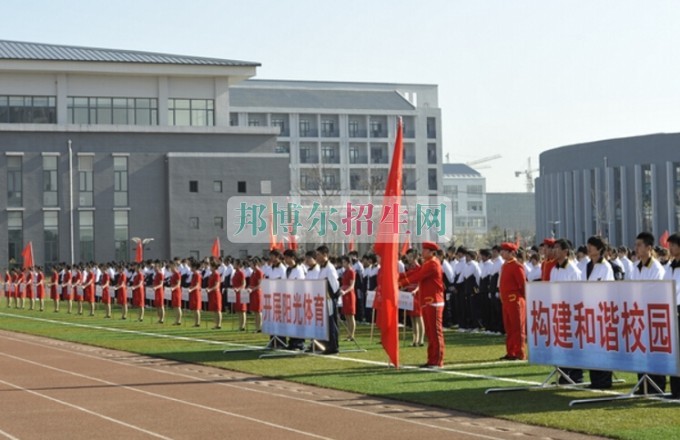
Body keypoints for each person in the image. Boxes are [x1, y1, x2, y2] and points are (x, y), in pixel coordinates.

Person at [630, 231, 666, 394]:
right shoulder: (635, 268)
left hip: (652, 316)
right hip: (637, 315)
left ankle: (656, 385)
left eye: (639, 245)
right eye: (636, 245)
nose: (636, 248)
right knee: (640, 348)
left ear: (649, 247)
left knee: (654, 351)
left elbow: (655, 291)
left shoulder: (656, 268)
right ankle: (642, 383)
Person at [398, 241, 445, 368]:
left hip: (434, 302)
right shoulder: (427, 263)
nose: (422, 252)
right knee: (430, 333)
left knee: (435, 332)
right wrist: (398, 276)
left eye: (425, 250)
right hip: (427, 301)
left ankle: (438, 360)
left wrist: (400, 283)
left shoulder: (433, 264)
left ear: (431, 252)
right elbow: (414, 273)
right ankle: (431, 359)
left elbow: (417, 276)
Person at [581, 236, 615, 389]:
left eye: (592, 246)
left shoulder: (605, 267)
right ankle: (595, 379)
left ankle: (604, 380)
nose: (589, 248)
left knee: (603, 346)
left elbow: (606, 289)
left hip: (602, 312)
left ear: (599, 249)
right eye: (588, 245)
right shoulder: (587, 266)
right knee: (592, 346)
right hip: (588, 311)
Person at [498, 242, 527, 361]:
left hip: (515, 300)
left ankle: (519, 353)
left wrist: (525, 298)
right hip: (506, 301)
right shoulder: (505, 265)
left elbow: (523, 285)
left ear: (512, 253)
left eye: (505, 251)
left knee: (518, 328)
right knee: (509, 327)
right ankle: (511, 351)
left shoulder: (517, 266)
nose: (502, 253)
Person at [316, 245, 341, 355]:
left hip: (329, 299)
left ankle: (333, 346)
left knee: (331, 323)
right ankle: (327, 345)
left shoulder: (330, 268)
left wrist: (332, 298)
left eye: (318, 255)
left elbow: (335, 286)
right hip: (323, 299)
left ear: (325, 255)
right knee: (326, 324)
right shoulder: (322, 268)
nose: (316, 257)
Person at [665, 232, 680, 399]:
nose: (671, 248)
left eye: (674, 245)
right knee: (673, 353)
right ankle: (675, 389)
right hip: (670, 311)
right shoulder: (669, 267)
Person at [403, 249, 424, 347]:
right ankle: (414, 339)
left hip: (417, 295)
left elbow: (420, 283)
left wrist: (415, 290)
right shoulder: (409, 268)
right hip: (410, 294)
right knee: (412, 318)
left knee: (419, 317)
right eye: (408, 256)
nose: (409, 258)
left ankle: (421, 339)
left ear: (415, 257)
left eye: (410, 256)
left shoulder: (419, 268)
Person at [339, 256, 357, 341]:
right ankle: (349, 334)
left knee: (351, 315)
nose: (343, 264)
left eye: (344, 262)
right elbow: (344, 283)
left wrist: (345, 291)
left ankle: (352, 335)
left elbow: (352, 286)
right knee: (346, 315)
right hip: (344, 294)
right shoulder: (345, 272)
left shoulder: (351, 272)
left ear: (348, 263)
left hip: (349, 295)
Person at [247, 257, 264, 333]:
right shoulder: (253, 272)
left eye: (251, 264)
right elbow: (252, 283)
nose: (250, 265)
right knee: (255, 311)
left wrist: (252, 289)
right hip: (253, 293)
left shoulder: (259, 272)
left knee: (258, 310)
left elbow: (260, 284)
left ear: (255, 264)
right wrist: (248, 287)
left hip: (257, 293)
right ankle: (256, 327)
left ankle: (259, 327)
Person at [231, 260, 247, 331]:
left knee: (242, 309)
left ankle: (243, 326)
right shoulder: (235, 273)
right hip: (235, 293)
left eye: (234, 264)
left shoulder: (241, 273)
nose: (233, 265)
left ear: (238, 265)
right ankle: (240, 325)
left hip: (241, 293)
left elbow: (244, 283)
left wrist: (239, 289)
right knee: (238, 310)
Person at [207, 261, 222, 329]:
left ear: (214, 267)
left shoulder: (217, 274)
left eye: (211, 266)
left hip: (215, 293)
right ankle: (216, 324)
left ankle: (219, 324)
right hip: (211, 293)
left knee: (217, 309)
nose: (210, 267)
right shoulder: (211, 274)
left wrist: (210, 289)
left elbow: (217, 285)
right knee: (214, 310)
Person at [188, 263, 203, 327]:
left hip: (196, 292)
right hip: (193, 292)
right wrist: (190, 287)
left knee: (196, 308)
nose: (190, 268)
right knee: (194, 308)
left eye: (191, 267)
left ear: (194, 267)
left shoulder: (197, 275)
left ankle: (198, 323)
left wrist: (191, 289)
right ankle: (195, 322)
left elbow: (197, 285)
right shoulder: (193, 275)